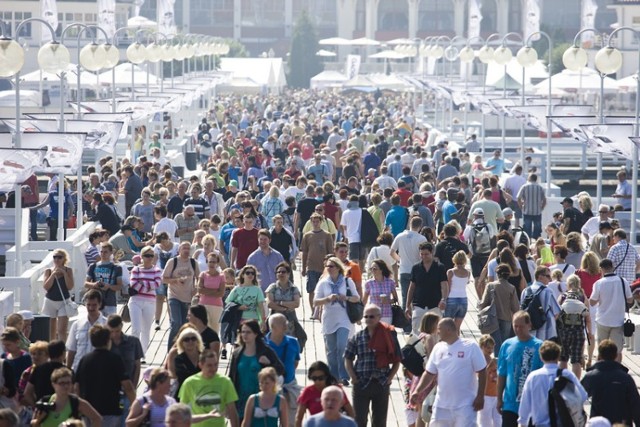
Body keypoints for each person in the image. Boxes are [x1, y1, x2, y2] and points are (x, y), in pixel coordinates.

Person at [410, 318, 487, 427]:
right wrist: (417, 391)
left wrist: (480, 396)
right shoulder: (438, 348)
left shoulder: (470, 346)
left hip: (465, 405)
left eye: (439, 329)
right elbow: (429, 373)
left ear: (448, 330)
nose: (437, 332)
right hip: (441, 405)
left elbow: (482, 371)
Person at [344, 304, 401, 427]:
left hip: (381, 383)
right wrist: (353, 377)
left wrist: (389, 379)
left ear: (379, 317)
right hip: (361, 383)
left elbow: (397, 359)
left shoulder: (388, 334)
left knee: (379, 422)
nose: (368, 319)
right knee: (359, 421)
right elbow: (348, 358)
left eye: (372, 316)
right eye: (366, 317)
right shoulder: (357, 337)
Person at [74, 325, 136, 427]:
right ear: (108, 340)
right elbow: (127, 386)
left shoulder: (84, 360)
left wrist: (79, 408)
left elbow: (77, 387)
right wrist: (134, 405)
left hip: (89, 411)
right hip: (110, 410)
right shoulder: (115, 359)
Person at [518, 340, 587, 427]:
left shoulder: (533, 377)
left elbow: (525, 404)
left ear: (541, 357)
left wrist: (522, 423)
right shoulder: (567, 374)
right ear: (558, 356)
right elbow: (583, 396)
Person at [314, 257, 360, 385]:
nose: (329, 269)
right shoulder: (323, 283)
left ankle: (344, 375)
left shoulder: (347, 281)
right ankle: (334, 376)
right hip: (329, 318)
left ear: (338, 268)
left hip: (344, 318)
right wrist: (327, 298)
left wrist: (346, 298)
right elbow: (316, 301)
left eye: (331, 266)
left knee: (342, 346)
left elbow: (357, 298)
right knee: (331, 350)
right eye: (327, 266)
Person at [229, 320, 284, 421]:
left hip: (260, 399)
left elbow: (281, 369)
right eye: (243, 332)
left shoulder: (265, 351)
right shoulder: (237, 353)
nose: (245, 335)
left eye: (248, 332)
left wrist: (269, 364)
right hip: (240, 399)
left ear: (255, 334)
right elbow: (231, 377)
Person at [496, 311, 543, 427]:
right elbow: (501, 374)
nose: (518, 329)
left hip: (532, 404)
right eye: (515, 326)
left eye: (521, 326)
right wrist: (499, 398)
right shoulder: (507, 345)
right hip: (510, 403)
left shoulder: (539, 346)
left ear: (529, 325)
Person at [581, 339, 640, 426]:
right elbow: (636, 405)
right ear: (616, 355)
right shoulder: (626, 378)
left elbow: (577, 397)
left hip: (599, 423)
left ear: (599, 356)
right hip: (622, 423)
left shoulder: (591, 376)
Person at [178, 349, 240, 427]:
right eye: (209, 365)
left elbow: (232, 411)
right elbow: (182, 410)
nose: (213, 368)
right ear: (200, 365)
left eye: (215, 364)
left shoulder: (225, 382)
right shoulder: (189, 383)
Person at [590, 258, 633, 362]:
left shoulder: (599, 283)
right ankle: (617, 370)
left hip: (602, 320)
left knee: (602, 349)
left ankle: (601, 370)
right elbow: (630, 300)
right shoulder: (623, 281)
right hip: (618, 320)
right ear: (612, 267)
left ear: (601, 269)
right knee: (617, 350)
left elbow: (592, 302)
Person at [31, 367, 102, 427]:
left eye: (68, 383)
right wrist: (39, 419)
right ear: (53, 385)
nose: (66, 386)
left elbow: (97, 418)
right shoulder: (45, 401)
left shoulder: (75, 402)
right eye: (62, 383)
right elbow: (33, 424)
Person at [391, 216, 427, 332]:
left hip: (404, 270)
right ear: (420, 226)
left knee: (405, 298)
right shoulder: (422, 238)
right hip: (417, 271)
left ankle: (406, 326)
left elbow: (392, 252)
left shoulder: (400, 236)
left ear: (409, 224)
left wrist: (399, 260)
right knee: (416, 299)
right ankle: (416, 325)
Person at [405, 242, 448, 335]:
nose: (423, 256)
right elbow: (412, 287)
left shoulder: (439, 267)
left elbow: (444, 285)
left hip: (435, 305)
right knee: (416, 332)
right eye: (421, 254)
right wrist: (407, 305)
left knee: (436, 333)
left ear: (432, 252)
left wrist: (444, 299)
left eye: (426, 254)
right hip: (419, 304)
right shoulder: (416, 268)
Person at [163, 241, 199, 351]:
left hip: (188, 297)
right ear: (179, 250)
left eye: (188, 248)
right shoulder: (172, 262)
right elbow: (164, 279)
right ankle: (170, 351)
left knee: (185, 325)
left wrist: (196, 289)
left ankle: (182, 350)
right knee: (176, 323)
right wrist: (176, 280)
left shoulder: (193, 262)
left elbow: (199, 278)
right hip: (174, 295)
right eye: (184, 248)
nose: (187, 250)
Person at [295, 362, 355, 427]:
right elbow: (299, 418)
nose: (317, 381)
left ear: (326, 376)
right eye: (314, 378)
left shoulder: (336, 390)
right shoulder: (308, 392)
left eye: (321, 378)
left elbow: (350, 412)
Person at [128, 246, 162, 355]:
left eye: (151, 256)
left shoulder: (157, 270)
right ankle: (134, 353)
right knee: (136, 329)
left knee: (146, 330)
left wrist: (142, 284)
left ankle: (142, 354)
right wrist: (148, 287)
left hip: (150, 302)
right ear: (142, 257)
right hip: (135, 301)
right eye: (147, 255)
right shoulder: (136, 269)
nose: (149, 258)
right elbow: (133, 284)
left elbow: (157, 284)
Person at [66, 290, 107, 372]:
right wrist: (68, 369)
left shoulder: (106, 325)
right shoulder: (76, 325)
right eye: (88, 305)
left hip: (100, 370)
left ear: (100, 304)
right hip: (79, 370)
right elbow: (71, 350)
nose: (91, 308)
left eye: (94, 305)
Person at [300, 213, 335, 312]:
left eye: (317, 221)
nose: (315, 223)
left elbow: (330, 252)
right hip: (311, 266)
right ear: (311, 222)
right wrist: (303, 267)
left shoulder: (327, 235)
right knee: (311, 290)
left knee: (324, 290)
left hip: (324, 268)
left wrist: (330, 267)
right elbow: (304, 252)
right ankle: (313, 310)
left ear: (321, 222)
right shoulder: (307, 236)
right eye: (313, 221)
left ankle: (322, 310)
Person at [520, 266, 561, 341]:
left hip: (530, 330)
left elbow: (521, 310)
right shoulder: (548, 291)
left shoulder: (525, 291)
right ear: (540, 277)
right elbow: (556, 312)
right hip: (546, 332)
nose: (550, 279)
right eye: (548, 276)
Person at [42, 249, 75, 342]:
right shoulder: (48, 271)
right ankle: (51, 350)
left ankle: (62, 351)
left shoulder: (69, 270)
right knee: (50, 330)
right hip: (50, 301)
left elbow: (70, 286)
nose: (57, 259)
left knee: (61, 330)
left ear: (64, 259)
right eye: (55, 257)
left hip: (64, 301)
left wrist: (64, 273)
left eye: (59, 257)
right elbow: (46, 287)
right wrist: (53, 275)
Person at [265, 262, 301, 333]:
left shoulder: (294, 288)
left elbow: (296, 303)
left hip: (290, 320)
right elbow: (269, 304)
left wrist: (280, 302)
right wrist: (284, 308)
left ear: (288, 274)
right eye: (279, 272)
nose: (281, 274)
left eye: (283, 272)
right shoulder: (272, 287)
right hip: (274, 318)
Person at [168, 327, 203, 400]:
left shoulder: (204, 357)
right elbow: (175, 376)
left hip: (202, 392)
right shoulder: (178, 359)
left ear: (198, 341)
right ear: (181, 343)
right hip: (183, 393)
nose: (190, 342)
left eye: (193, 339)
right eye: (186, 340)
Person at [196, 252, 226, 335]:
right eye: (210, 262)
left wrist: (207, 291)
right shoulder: (203, 274)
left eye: (214, 262)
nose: (212, 264)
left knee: (215, 329)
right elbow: (199, 289)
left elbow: (221, 293)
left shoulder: (221, 276)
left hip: (217, 306)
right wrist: (215, 291)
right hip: (203, 304)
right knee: (204, 328)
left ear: (217, 263)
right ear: (207, 262)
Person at [362, 260, 398, 324]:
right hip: (373, 314)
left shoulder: (390, 282)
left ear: (381, 270)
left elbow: (396, 299)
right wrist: (361, 314)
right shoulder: (369, 283)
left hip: (386, 313)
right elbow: (364, 300)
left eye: (375, 269)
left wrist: (388, 301)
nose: (372, 270)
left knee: (385, 333)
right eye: (371, 269)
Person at [443, 250, 471, 333]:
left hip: (451, 299)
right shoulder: (468, 273)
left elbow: (448, 287)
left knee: (447, 326)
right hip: (463, 300)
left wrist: (444, 299)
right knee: (457, 327)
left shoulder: (451, 272)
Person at [477, 335, 500, 427]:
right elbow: (479, 376)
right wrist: (489, 367)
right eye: (488, 348)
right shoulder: (479, 360)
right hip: (485, 395)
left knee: (498, 421)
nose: (490, 350)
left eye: (492, 348)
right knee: (485, 422)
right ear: (481, 347)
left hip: (495, 394)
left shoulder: (492, 360)